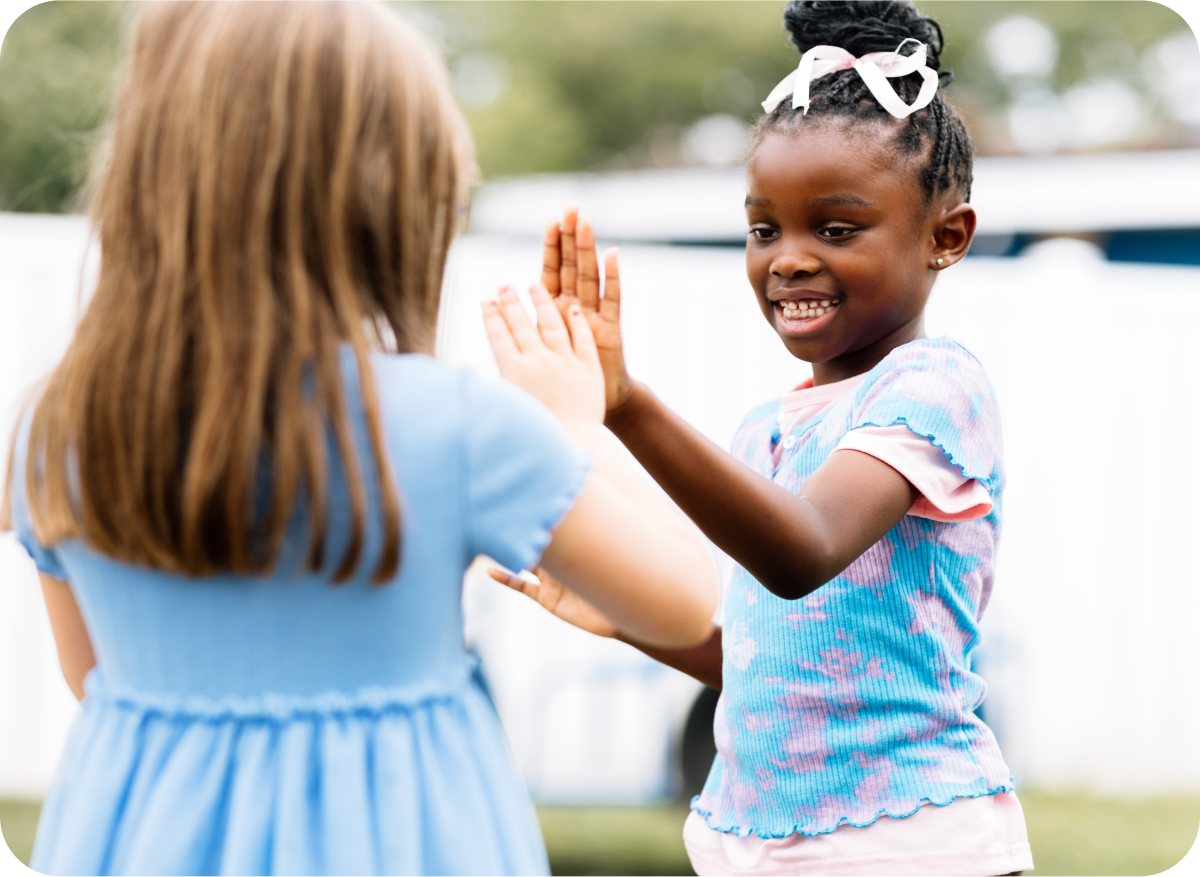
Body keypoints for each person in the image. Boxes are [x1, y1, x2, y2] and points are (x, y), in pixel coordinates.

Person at [0, 1, 718, 875]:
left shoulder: (56, 424)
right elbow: (686, 601)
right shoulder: (456, 427)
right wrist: (573, 420)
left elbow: (93, 679)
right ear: (392, 205)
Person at [487, 1, 1034, 875]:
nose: (788, 257)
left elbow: (801, 551)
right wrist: (632, 623)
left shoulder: (933, 388)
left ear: (946, 237)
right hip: (761, 848)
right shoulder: (764, 432)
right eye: (765, 227)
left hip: (910, 846)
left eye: (838, 228)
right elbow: (763, 664)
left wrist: (626, 404)